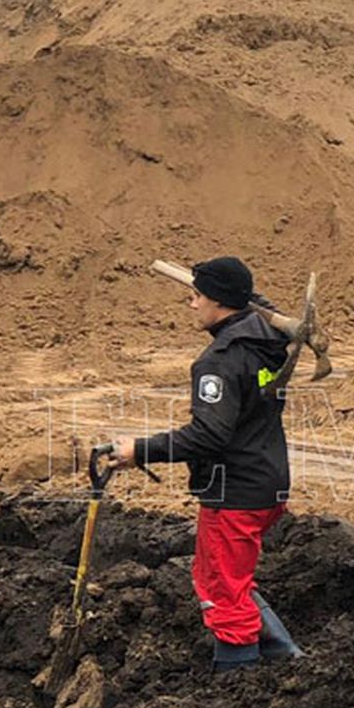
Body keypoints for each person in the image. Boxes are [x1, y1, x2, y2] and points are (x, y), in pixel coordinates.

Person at [111, 256, 304, 673]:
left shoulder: (218, 361)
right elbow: (255, 303)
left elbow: (209, 435)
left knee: (222, 588)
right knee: (226, 577)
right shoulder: (268, 345)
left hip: (233, 491)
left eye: (197, 296)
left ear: (219, 302)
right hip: (269, 482)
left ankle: (239, 682)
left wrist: (138, 451)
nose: (191, 304)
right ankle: (285, 657)